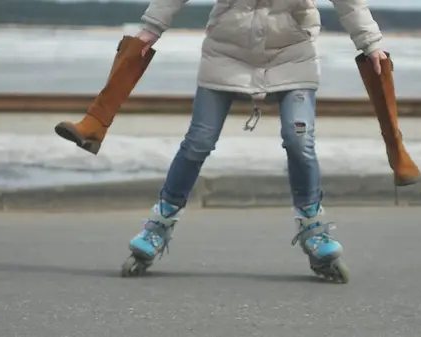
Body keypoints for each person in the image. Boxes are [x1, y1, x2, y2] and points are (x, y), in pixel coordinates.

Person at [58, 0, 392, 283]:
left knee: (299, 139)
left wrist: (371, 42)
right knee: (198, 141)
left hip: (292, 54)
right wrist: (151, 27)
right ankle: (157, 227)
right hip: (226, 54)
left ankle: (314, 231)